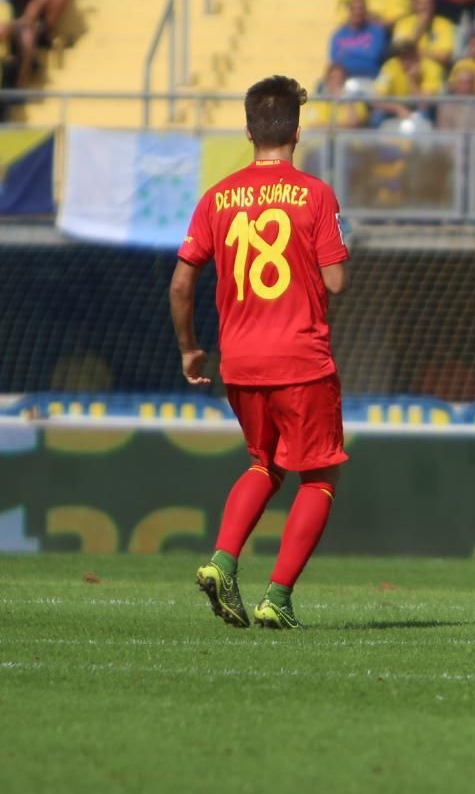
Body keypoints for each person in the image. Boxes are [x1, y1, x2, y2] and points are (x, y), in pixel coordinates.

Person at [174, 76, 350, 630]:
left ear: (249, 130)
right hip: (300, 358)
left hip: (240, 361)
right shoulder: (315, 194)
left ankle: (221, 563)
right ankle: (278, 596)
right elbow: (337, 281)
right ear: (297, 133)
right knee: (319, 477)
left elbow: (181, 285)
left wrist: (190, 350)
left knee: (263, 463)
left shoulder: (216, 197)